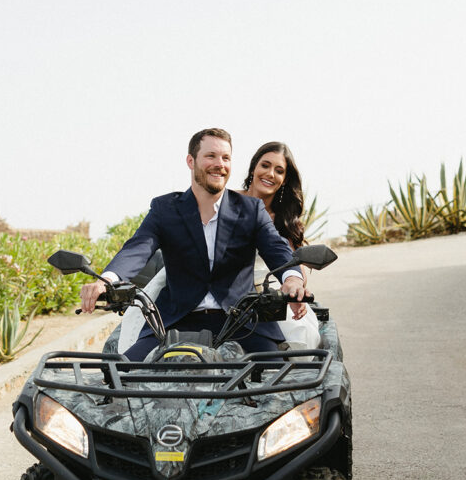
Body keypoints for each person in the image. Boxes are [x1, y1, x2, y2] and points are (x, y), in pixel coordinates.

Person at [80, 128, 306, 360]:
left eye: (226, 158)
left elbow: (276, 248)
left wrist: (291, 279)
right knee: (120, 378)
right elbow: (137, 248)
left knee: (284, 382)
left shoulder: (251, 209)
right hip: (175, 321)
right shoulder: (164, 208)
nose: (220, 164)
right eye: (211, 156)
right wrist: (106, 281)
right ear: (191, 161)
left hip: (242, 322)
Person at [241, 141, 322, 350]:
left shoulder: (284, 221)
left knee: (301, 338)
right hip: (227, 289)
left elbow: (293, 266)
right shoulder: (227, 201)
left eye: (279, 171)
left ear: (285, 180)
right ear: (253, 168)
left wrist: (295, 285)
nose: (270, 174)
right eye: (265, 166)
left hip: (269, 294)